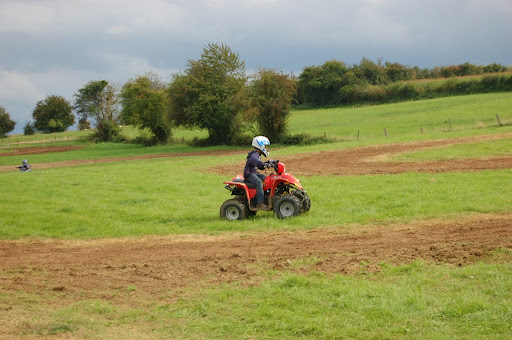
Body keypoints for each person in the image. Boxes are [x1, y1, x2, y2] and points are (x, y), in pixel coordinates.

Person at [244, 136, 271, 210]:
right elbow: (256, 161)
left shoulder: (257, 154)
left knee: (267, 179)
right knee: (259, 182)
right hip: (249, 174)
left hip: (254, 173)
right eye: (265, 146)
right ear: (260, 145)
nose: (265, 149)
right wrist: (263, 164)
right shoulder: (254, 154)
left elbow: (260, 166)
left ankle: (267, 198)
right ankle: (260, 203)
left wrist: (268, 163)